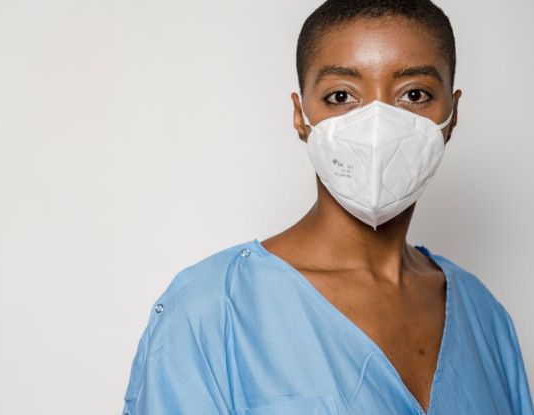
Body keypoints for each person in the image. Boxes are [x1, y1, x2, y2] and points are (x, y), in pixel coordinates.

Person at [121, 0, 534, 414]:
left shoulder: (484, 317)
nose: (378, 127)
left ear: (452, 113)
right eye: (341, 95)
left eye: (414, 94)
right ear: (301, 117)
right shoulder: (213, 311)